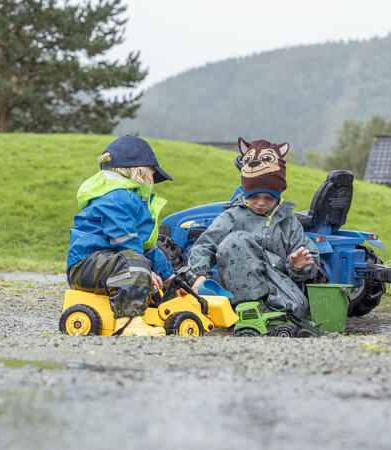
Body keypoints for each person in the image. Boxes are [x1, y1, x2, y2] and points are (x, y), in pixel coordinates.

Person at [187, 137, 320, 321]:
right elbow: (204, 245)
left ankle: (274, 315)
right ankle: (249, 310)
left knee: (297, 309)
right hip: (237, 294)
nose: (260, 203)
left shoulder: (289, 222)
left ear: (279, 196)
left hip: (279, 290)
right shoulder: (232, 216)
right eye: (254, 196)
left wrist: (297, 266)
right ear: (245, 192)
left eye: (269, 198)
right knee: (236, 240)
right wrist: (199, 276)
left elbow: (312, 259)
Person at [67, 135, 175, 336]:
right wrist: (142, 270)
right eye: (153, 176)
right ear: (140, 173)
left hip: (110, 264)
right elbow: (124, 240)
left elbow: (146, 246)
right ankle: (128, 322)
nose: (153, 183)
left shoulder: (130, 199)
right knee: (134, 264)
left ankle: (145, 311)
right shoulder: (116, 197)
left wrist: (170, 278)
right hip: (85, 265)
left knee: (140, 267)